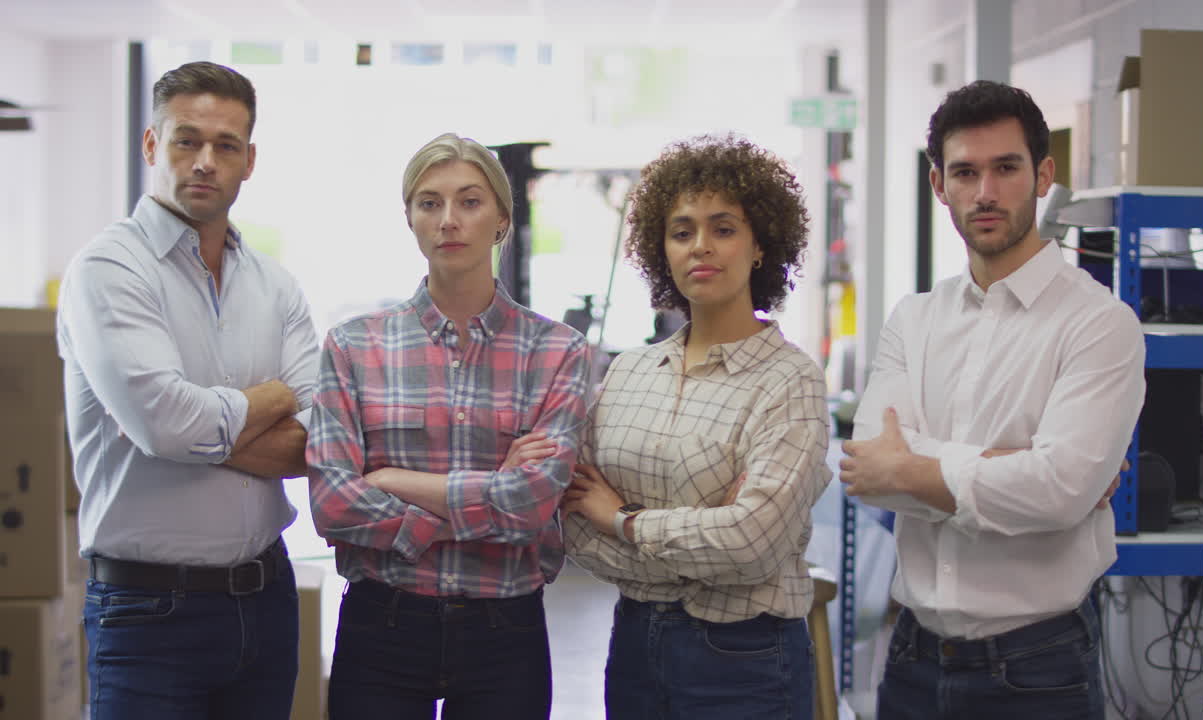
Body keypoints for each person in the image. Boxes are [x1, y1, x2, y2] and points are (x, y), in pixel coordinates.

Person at [840, 80, 1145, 719]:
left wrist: (915, 467)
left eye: (1006, 168)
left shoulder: (1098, 323)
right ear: (937, 184)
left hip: (1039, 669)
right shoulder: (915, 318)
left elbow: (1058, 491)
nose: (985, 192)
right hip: (913, 661)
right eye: (965, 172)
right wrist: (1010, 465)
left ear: (1042, 174)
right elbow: (869, 472)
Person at [57, 61, 318, 719]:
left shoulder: (275, 285)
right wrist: (274, 397)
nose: (205, 161)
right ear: (152, 145)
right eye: (186, 140)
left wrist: (182, 425)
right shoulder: (108, 270)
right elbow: (166, 425)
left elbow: (320, 442)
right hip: (147, 614)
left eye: (225, 145)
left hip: (266, 600)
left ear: (249, 160)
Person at [307, 132, 590, 720]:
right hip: (381, 623)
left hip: (505, 630)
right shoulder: (354, 346)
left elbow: (530, 505)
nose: (449, 220)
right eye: (429, 203)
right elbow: (333, 503)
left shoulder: (558, 351)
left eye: (469, 201)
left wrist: (390, 480)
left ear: (502, 219)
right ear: (409, 219)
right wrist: (490, 494)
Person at [562, 135, 831, 720]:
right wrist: (708, 537)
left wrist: (624, 520)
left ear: (760, 245)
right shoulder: (628, 374)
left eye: (724, 228)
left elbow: (753, 542)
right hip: (634, 647)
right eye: (682, 231)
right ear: (663, 250)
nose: (701, 247)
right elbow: (575, 526)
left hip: (746, 658)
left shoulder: (790, 381)